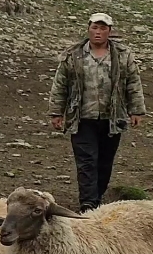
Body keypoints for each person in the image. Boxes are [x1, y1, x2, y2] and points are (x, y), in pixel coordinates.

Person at [49, 12, 145, 212]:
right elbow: (60, 85)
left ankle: (98, 197)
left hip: (112, 118)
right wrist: (56, 112)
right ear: (88, 29)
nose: (98, 32)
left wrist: (136, 110)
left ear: (109, 31)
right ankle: (88, 203)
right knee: (86, 163)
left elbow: (133, 83)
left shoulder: (122, 55)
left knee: (104, 163)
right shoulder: (73, 55)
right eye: (95, 27)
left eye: (103, 28)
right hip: (82, 118)